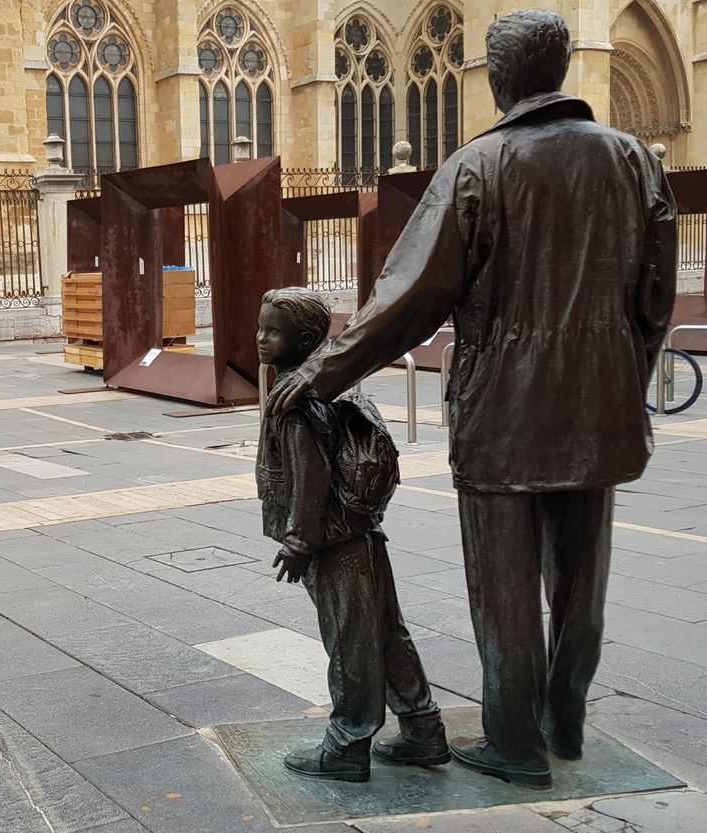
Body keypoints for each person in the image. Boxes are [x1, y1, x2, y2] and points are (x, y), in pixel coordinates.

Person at [267, 10, 677, 790]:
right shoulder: (632, 159)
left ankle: (516, 742)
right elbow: (654, 299)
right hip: (602, 405)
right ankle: (564, 719)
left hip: (503, 412)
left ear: (499, 76)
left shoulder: (477, 166)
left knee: (506, 586)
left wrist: (321, 371)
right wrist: (626, 371)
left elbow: (408, 298)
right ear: (560, 68)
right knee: (583, 578)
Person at [256, 287, 447, 784]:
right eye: (260, 328)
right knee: (384, 632)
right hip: (360, 530)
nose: (260, 339)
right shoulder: (329, 382)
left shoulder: (296, 400)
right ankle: (423, 728)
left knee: (350, 641)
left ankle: (347, 743)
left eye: (272, 331)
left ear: (304, 338)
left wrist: (299, 542)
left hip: (332, 541)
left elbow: (309, 476)